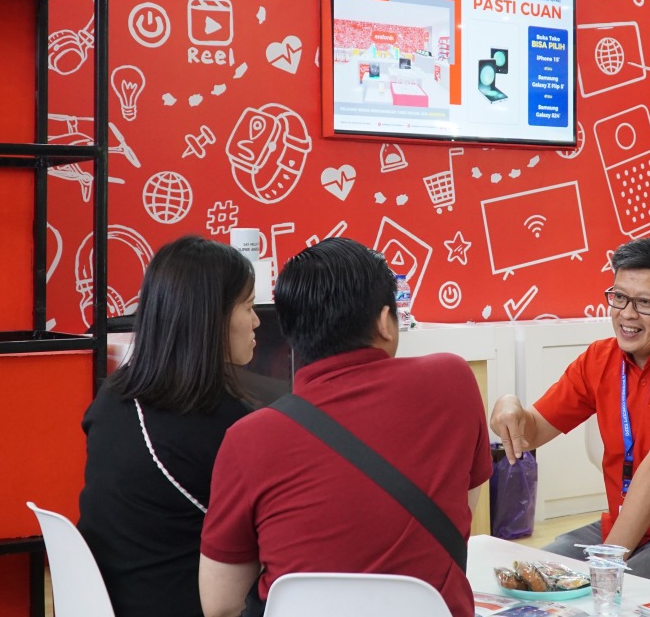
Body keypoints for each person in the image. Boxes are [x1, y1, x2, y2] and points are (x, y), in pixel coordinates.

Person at [199, 238, 491, 617]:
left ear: (290, 334)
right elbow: (464, 507)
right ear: (385, 321)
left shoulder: (247, 438)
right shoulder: (453, 380)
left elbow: (220, 604)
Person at [489, 236, 650, 588]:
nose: (627, 314)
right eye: (619, 297)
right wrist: (508, 405)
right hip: (622, 525)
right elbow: (532, 432)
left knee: (608, 595)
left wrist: (607, 565)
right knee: (529, 578)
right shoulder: (600, 357)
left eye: (645, 303)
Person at [78, 236, 259, 617]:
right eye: (248, 306)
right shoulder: (229, 427)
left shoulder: (112, 396)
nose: (257, 321)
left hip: (105, 601)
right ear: (212, 318)